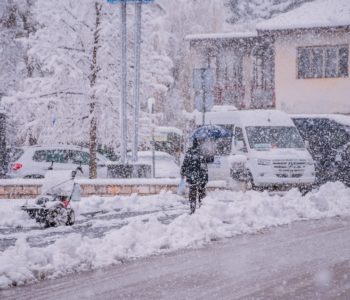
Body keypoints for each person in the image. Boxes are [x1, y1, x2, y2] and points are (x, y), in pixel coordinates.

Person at [181, 138, 209, 214]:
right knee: (201, 194)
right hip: (201, 178)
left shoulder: (189, 152)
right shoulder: (202, 152)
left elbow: (185, 164)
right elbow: (205, 165)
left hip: (192, 177)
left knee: (192, 194)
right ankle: (201, 209)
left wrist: (183, 173)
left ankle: (192, 209)